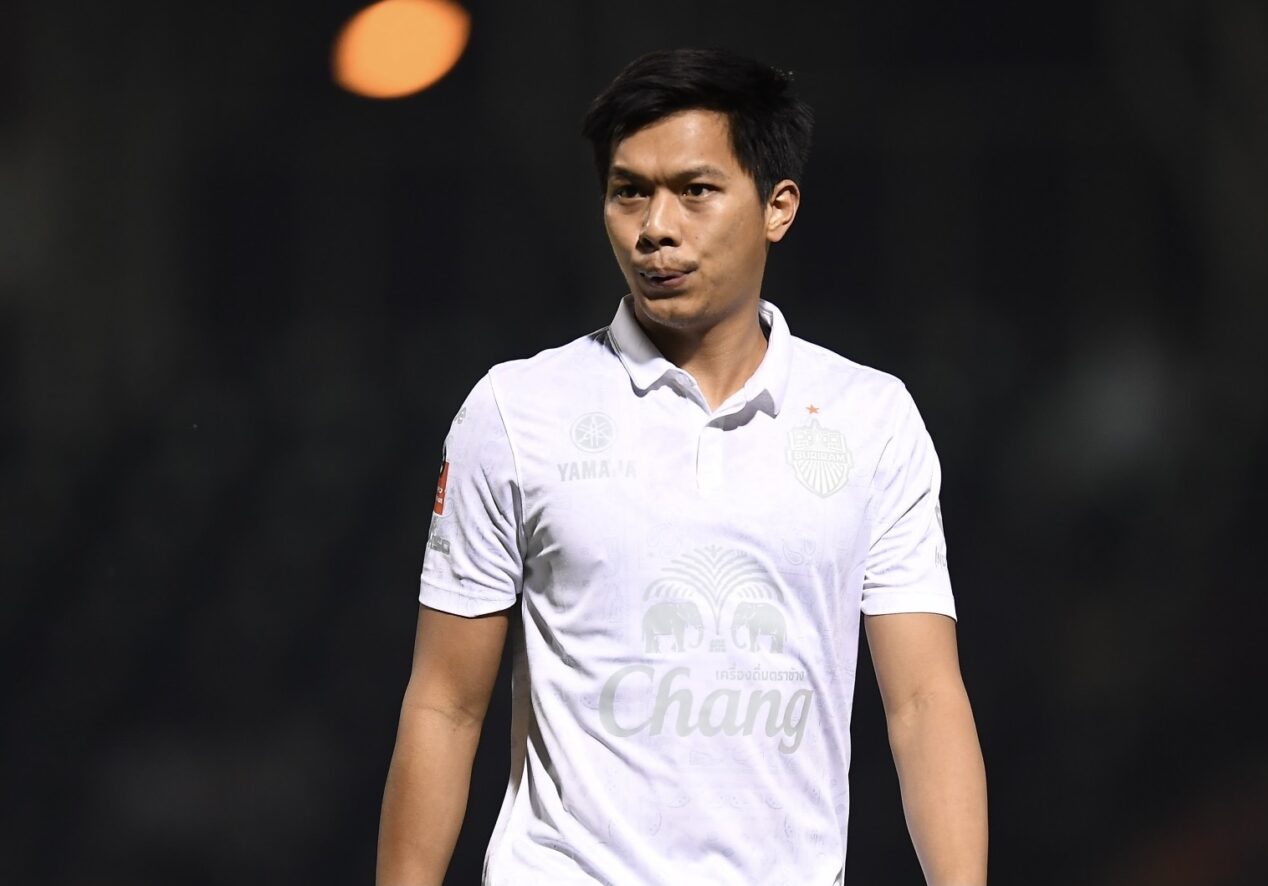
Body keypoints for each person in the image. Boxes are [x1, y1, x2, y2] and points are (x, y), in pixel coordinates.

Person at [376, 48, 987, 886]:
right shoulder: (515, 411)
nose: (654, 227)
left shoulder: (871, 418)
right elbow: (445, 705)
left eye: (695, 191)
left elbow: (923, 703)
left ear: (778, 208)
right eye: (629, 191)